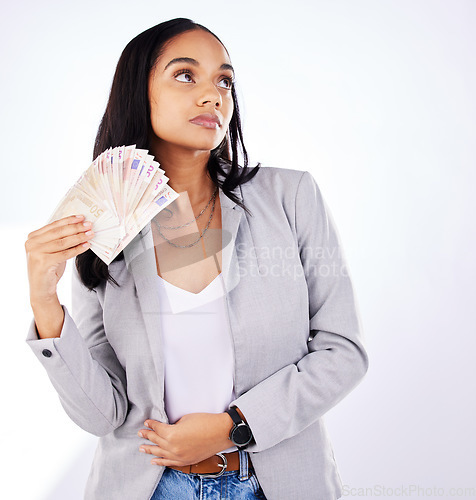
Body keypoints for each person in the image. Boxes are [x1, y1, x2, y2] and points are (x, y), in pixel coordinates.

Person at [24, 18, 369, 500]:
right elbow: (101, 414)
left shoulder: (290, 197)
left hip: (278, 484)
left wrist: (234, 427)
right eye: (186, 75)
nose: (213, 95)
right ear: (138, 92)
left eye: (224, 80)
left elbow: (342, 352)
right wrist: (44, 299)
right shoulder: (103, 225)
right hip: (149, 487)